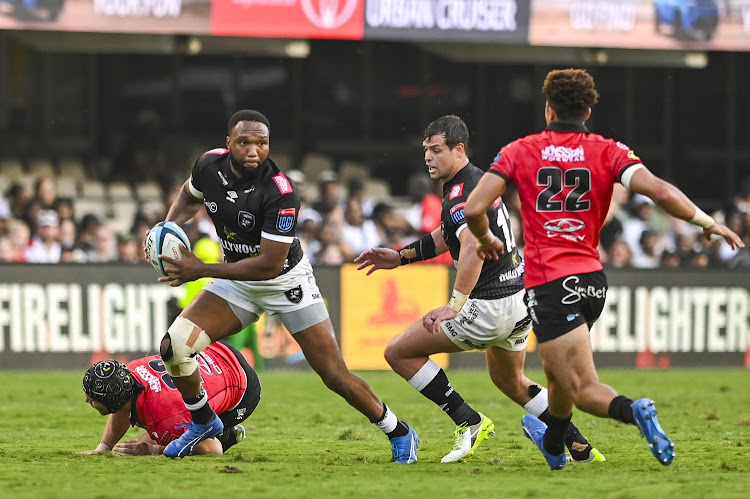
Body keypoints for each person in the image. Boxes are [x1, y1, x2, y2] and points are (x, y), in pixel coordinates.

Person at [463, 68, 745, 470]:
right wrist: (707, 222)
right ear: (588, 111)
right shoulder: (608, 150)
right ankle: (557, 448)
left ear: (548, 109)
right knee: (559, 376)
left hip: (549, 283)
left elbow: (474, 208)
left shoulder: (520, 151)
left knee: (581, 386)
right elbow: (660, 191)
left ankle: (636, 412)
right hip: (592, 281)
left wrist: (487, 238)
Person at [148, 109, 419, 462]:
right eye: (244, 142)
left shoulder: (280, 193)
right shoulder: (208, 166)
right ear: (228, 142)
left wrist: (201, 269)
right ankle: (204, 422)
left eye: (262, 143)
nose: (253, 150)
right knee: (174, 347)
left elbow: (269, 264)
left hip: (286, 282)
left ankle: (399, 431)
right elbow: (189, 196)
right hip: (237, 279)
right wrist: (166, 230)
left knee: (334, 375)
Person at [354, 115, 603, 464]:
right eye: (425, 150)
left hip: (489, 307)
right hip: (518, 299)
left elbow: (471, 247)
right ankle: (579, 446)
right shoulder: (475, 183)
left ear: (459, 149)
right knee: (510, 379)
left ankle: (467, 421)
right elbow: (447, 235)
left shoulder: (460, 193)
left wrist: (455, 304)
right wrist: (400, 257)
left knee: (399, 352)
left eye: (436, 150)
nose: (428, 157)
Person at [82, 342, 260, 456]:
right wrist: (103, 448)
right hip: (218, 350)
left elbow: (213, 450)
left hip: (242, 387)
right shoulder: (130, 370)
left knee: (148, 441)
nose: (87, 401)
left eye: (92, 397)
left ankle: (227, 434)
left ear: (112, 399)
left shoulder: (166, 419)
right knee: (145, 440)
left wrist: (153, 450)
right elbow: (122, 407)